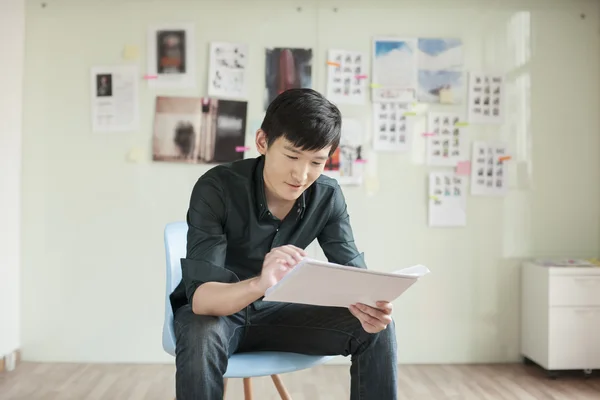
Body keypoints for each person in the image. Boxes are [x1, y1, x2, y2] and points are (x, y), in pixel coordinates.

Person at [170, 88, 398, 399]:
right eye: (292, 156)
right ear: (263, 141)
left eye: (316, 162)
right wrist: (261, 284)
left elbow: (354, 278)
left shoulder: (327, 196)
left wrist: (371, 306)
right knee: (201, 331)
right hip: (220, 315)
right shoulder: (217, 188)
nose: (301, 175)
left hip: (281, 315)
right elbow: (202, 300)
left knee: (377, 328)